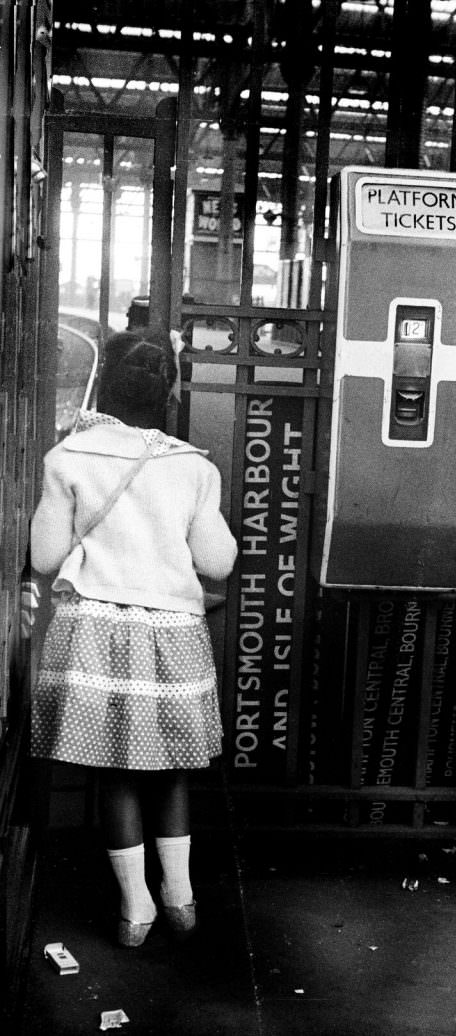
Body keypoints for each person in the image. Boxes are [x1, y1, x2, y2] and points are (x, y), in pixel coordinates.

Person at [30, 326, 237, 948]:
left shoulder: (67, 458)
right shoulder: (192, 467)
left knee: (114, 770)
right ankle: (183, 898)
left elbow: (44, 556)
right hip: (172, 633)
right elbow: (219, 561)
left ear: (104, 386)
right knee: (172, 767)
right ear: (168, 392)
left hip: (94, 632)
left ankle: (136, 909)